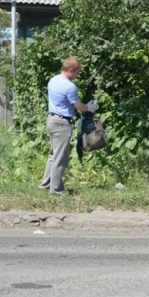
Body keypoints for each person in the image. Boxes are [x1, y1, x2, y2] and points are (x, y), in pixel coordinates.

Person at [38, 57, 98, 195]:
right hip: (62, 123)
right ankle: (56, 191)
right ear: (71, 70)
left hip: (51, 120)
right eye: (77, 72)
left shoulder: (53, 80)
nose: (77, 76)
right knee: (60, 158)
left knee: (53, 155)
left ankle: (46, 184)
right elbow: (78, 106)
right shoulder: (70, 87)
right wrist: (89, 108)